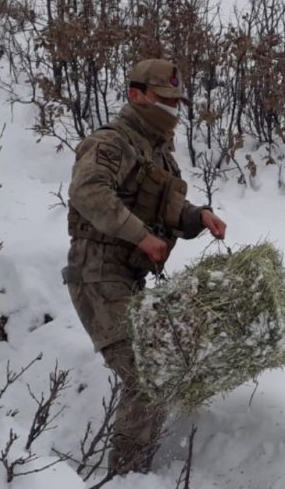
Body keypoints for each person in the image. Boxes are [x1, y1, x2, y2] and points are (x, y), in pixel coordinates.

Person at [64, 58, 228, 474]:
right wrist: (140, 235)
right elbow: (88, 191)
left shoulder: (158, 153)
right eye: (164, 99)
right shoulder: (112, 142)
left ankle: (136, 468)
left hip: (131, 277)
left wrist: (198, 216)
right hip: (98, 272)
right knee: (147, 373)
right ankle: (127, 475)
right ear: (136, 95)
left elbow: (168, 209)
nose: (172, 109)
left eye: (177, 101)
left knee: (160, 369)